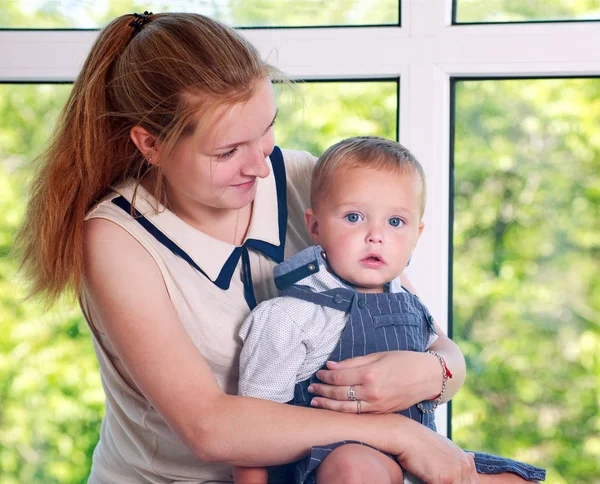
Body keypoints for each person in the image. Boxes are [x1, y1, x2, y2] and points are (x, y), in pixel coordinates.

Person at [17, 11, 495, 484]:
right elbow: (209, 428)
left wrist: (436, 371)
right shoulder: (116, 240)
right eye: (227, 152)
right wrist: (396, 432)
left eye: (267, 129)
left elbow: (420, 330)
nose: (261, 167)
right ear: (151, 144)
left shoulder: (307, 179)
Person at [234, 137, 546, 484]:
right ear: (315, 227)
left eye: (395, 222)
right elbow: (252, 426)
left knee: (516, 479)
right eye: (354, 217)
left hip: (421, 458)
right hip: (336, 464)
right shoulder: (291, 315)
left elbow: (447, 366)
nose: (375, 235)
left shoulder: (411, 306)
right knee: (356, 466)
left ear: (417, 234)